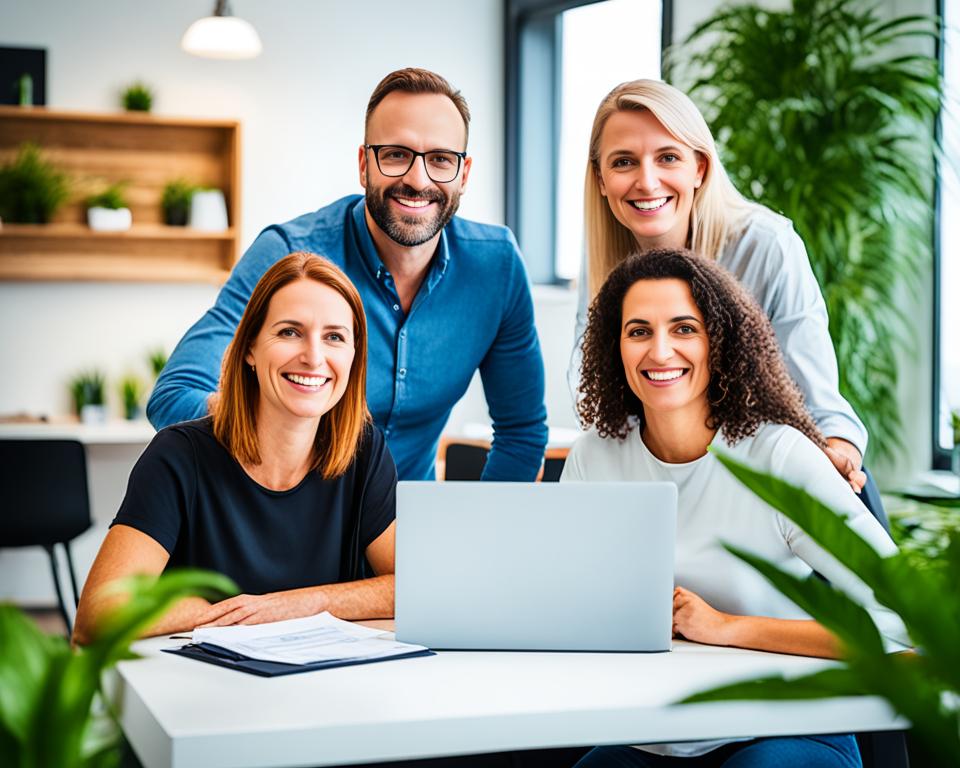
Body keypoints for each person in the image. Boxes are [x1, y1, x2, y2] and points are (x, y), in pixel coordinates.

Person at [562, 250, 908, 767]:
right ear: (616, 348)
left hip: (787, 728)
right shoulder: (597, 453)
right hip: (649, 733)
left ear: (718, 343)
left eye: (684, 329)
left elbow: (903, 621)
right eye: (638, 331)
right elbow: (558, 600)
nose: (659, 351)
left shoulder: (779, 457)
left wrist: (728, 627)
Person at [148, 67, 547, 482]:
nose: (417, 179)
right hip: (298, 526)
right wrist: (267, 428)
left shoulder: (497, 266)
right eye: (395, 154)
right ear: (364, 164)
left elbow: (521, 433)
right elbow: (174, 396)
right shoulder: (289, 254)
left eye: (441, 159)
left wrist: (478, 535)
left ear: (463, 175)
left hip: (407, 530)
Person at [73, 253, 396, 643]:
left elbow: (415, 588)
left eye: (334, 337)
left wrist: (293, 606)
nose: (313, 357)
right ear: (249, 350)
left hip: (324, 688)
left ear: (353, 357)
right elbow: (98, 616)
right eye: (290, 332)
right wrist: (234, 614)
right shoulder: (178, 455)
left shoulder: (364, 451)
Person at [572, 78, 868, 494]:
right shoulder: (604, 259)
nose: (647, 181)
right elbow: (601, 396)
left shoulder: (766, 245)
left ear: (700, 168)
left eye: (668, 157)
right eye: (623, 162)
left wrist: (834, 461)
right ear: (601, 179)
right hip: (675, 487)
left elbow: (821, 407)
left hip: (773, 492)